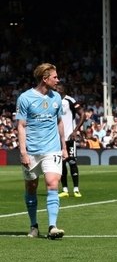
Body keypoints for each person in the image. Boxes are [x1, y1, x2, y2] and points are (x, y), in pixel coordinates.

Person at [16, 63, 68, 240]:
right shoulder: (25, 98)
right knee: (31, 187)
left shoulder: (57, 98)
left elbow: (60, 122)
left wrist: (64, 146)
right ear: (45, 79)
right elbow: (21, 126)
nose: (58, 80)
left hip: (52, 149)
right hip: (31, 150)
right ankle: (34, 226)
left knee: (52, 183)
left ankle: (52, 226)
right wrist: (23, 151)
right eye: (55, 77)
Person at [56, 84, 86, 198]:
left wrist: (75, 130)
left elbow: (83, 114)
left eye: (59, 89)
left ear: (64, 90)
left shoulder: (69, 100)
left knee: (72, 162)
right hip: (58, 138)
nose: (56, 90)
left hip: (69, 137)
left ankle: (76, 189)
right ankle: (64, 190)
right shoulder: (53, 101)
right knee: (62, 163)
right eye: (55, 88)